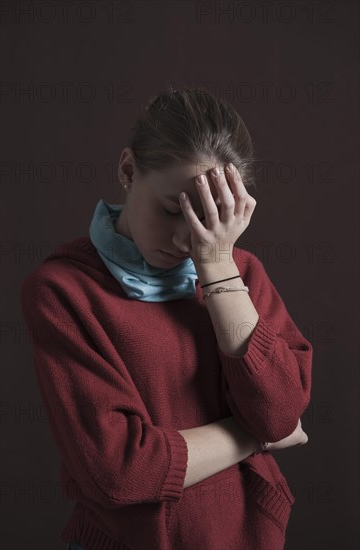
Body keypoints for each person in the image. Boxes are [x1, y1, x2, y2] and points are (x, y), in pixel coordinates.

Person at [21, 86, 312, 550]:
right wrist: (251, 436)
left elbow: (278, 413)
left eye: (209, 216)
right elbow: (119, 472)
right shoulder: (64, 291)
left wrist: (217, 268)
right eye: (173, 209)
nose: (186, 239)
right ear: (128, 170)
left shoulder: (241, 272)